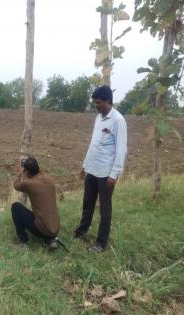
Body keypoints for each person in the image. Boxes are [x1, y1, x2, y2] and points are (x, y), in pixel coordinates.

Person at [74, 85, 127, 253]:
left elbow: (121, 150)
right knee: (87, 203)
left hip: (106, 174)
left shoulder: (118, 120)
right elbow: (94, 144)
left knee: (105, 208)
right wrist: (85, 165)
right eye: (94, 103)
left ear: (107, 101)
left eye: (98, 103)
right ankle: (82, 230)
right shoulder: (98, 118)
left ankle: (101, 242)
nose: (95, 106)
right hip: (92, 170)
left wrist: (114, 174)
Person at [11, 157, 60, 250]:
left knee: (16, 207)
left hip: (43, 230)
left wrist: (21, 173)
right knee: (42, 212)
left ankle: (23, 241)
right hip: (56, 228)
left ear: (27, 171)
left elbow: (16, 185)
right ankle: (50, 240)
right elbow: (38, 173)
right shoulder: (49, 180)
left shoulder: (29, 184)